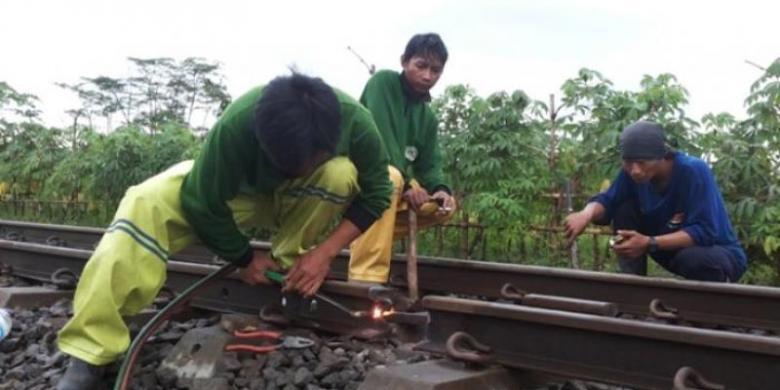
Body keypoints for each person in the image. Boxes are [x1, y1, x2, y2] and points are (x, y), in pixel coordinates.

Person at [56, 73, 392, 389]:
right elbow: (201, 201)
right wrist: (244, 258)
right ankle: (90, 351)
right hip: (242, 194)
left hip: (306, 197)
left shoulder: (356, 121)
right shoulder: (239, 120)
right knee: (144, 202)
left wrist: (324, 253)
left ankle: (289, 271)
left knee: (339, 174)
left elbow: (378, 193)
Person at [564, 120, 747, 282]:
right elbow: (608, 200)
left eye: (642, 162)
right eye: (628, 162)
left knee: (692, 258)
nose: (635, 170)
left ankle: (710, 312)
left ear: (661, 156)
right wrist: (585, 214)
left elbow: (705, 232)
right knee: (623, 208)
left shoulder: (693, 171)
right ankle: (632, 292)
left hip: (717, 255)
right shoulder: (632, 175)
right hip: (670, 251)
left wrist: (649, 242)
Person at [349, 33, 457, 283]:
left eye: (435, 70)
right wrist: (408, 186)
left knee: (446, 207)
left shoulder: (427, 118)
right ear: (404, 62)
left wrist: (440, 189)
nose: (427, 76)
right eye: (421, 66)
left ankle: (360, 230)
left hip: (394, 188)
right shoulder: (383, 83)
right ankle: (366, 277)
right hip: (361, 174)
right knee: (391, 177)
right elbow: (380, 144)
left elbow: (429, 165)